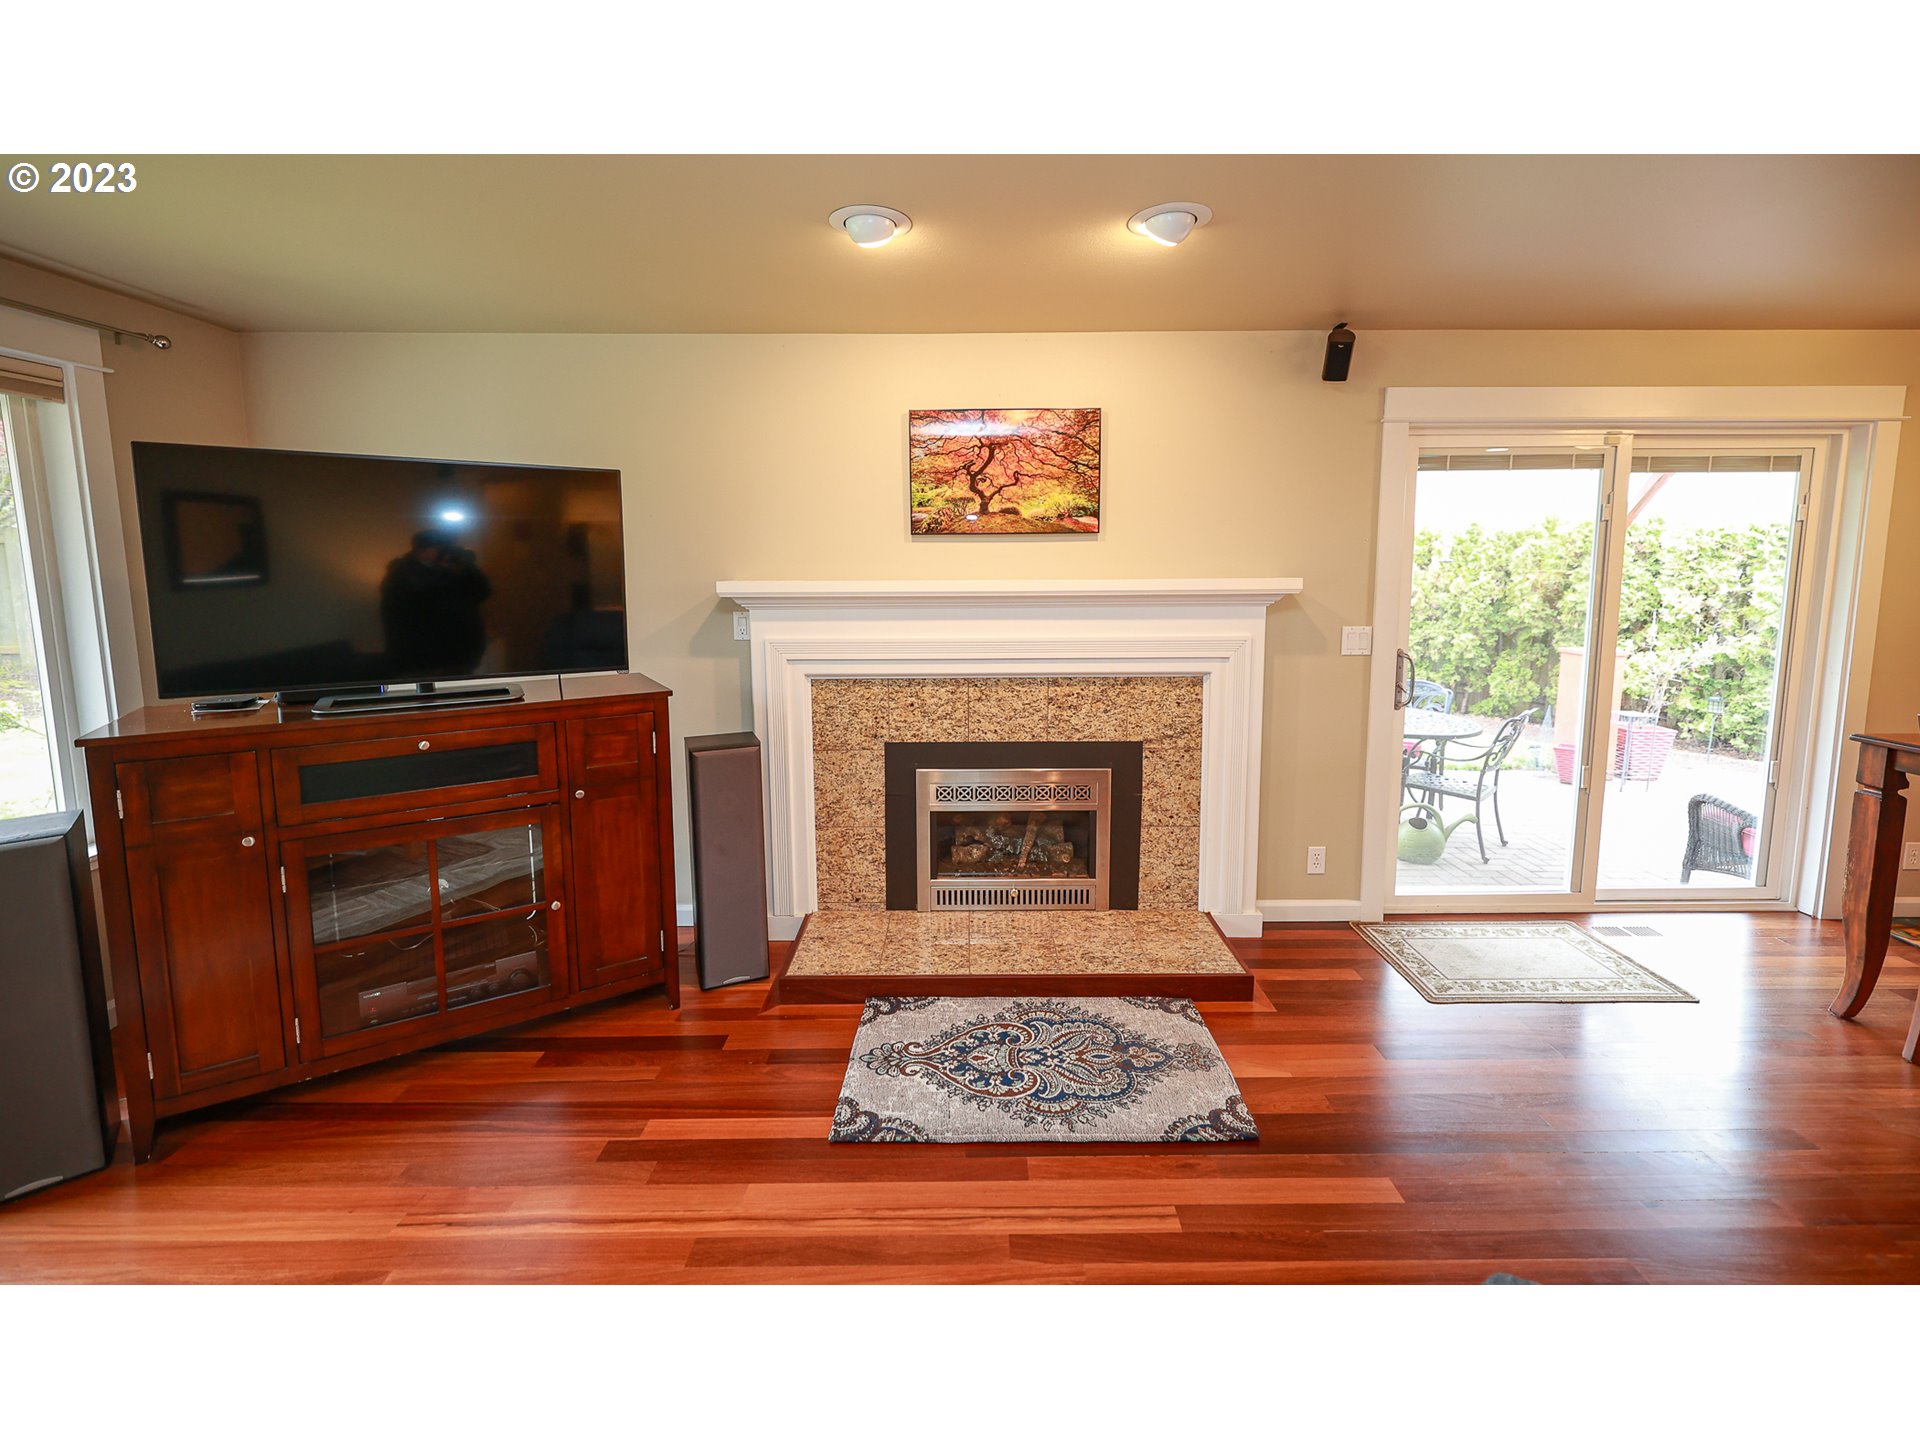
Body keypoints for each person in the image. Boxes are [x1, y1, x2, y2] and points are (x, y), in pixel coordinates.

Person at [379, 528, 491, 676]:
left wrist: (467, 568)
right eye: (441, 548)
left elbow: (482, 592)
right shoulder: (402, 573)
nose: (445, 552)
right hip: (422, 658)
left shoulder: (453, 569)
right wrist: (445, 572)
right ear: (423, 550)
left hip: (460, 655)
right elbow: (425, 601)